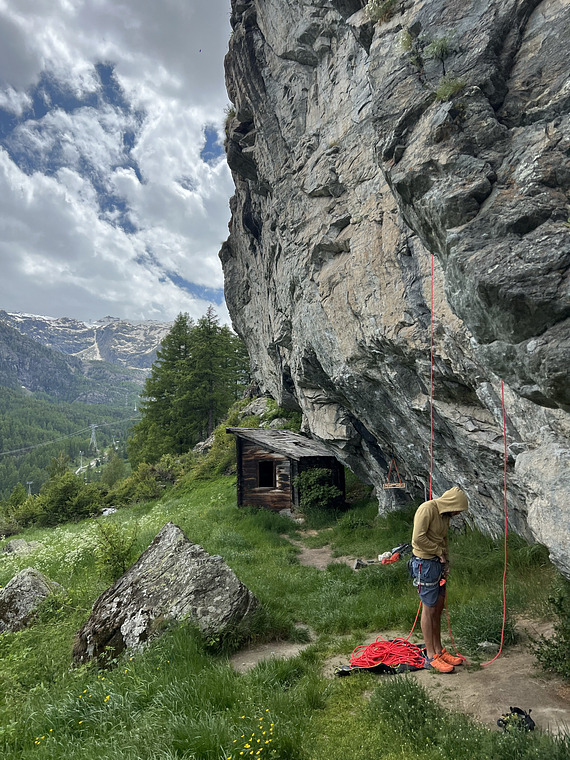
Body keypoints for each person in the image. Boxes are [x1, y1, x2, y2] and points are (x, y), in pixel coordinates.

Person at [410, 486, 468, 673]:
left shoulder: (445, 516)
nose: (459, 513)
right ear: (451, 503)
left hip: (437, 563)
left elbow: (443, 540)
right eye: (459, 509)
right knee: (428, 608)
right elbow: (418, 539)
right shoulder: (427, 509)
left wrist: (446, 561)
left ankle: (439, 650)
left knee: (438, 608)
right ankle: (430, 656)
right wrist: (437, 553)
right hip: (424, 564)